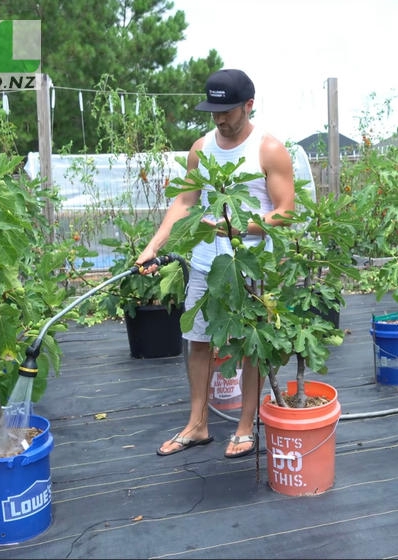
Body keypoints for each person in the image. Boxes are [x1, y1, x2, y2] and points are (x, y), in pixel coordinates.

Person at [136, 69, 297, 459]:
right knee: (199, 342)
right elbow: (185, 202)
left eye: (228, 111)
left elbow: (286, 212)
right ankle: (197, 426)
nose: (221, 120)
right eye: (214, 112)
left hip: (251, 265)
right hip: (207, 263)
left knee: (248, 344)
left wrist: (239, 230)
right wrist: (154, 245)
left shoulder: (269, 150)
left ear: (248, 105)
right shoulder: (201, 148)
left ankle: (245, 426)